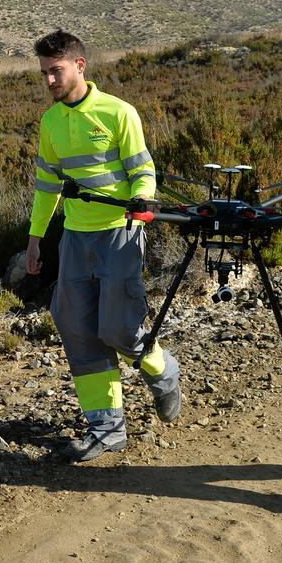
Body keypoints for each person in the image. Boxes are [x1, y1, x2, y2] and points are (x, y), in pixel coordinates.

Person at [25, 29, 182, 462]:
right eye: (44, 73)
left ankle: (164, 371)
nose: (49, 81)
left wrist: (143, 198)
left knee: (119, 329)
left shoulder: (118, 112)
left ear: (80, 66)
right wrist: (35, 240)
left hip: (119, 233)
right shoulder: (51, 122)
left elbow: (142, 169)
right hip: (75, 238)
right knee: (77, 328)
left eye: (56, 71)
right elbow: (47, 186)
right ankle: (106, 429)